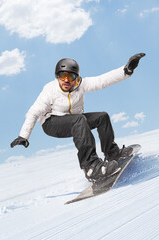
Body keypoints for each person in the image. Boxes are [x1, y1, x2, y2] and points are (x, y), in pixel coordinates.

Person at [11, 53, 146, 182]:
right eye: (62, 76)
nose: (66, 80)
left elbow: (102, 81)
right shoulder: (49, 90)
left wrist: (126, 70)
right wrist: (24, 136)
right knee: (79, 119)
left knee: (102, 117)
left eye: (70, 77)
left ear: (76, 78)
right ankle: (91, 167)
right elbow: (33, 112)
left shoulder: (81, 85)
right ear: (57, 76)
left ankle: (112, 153)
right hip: (52, 123)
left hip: (75, 121)